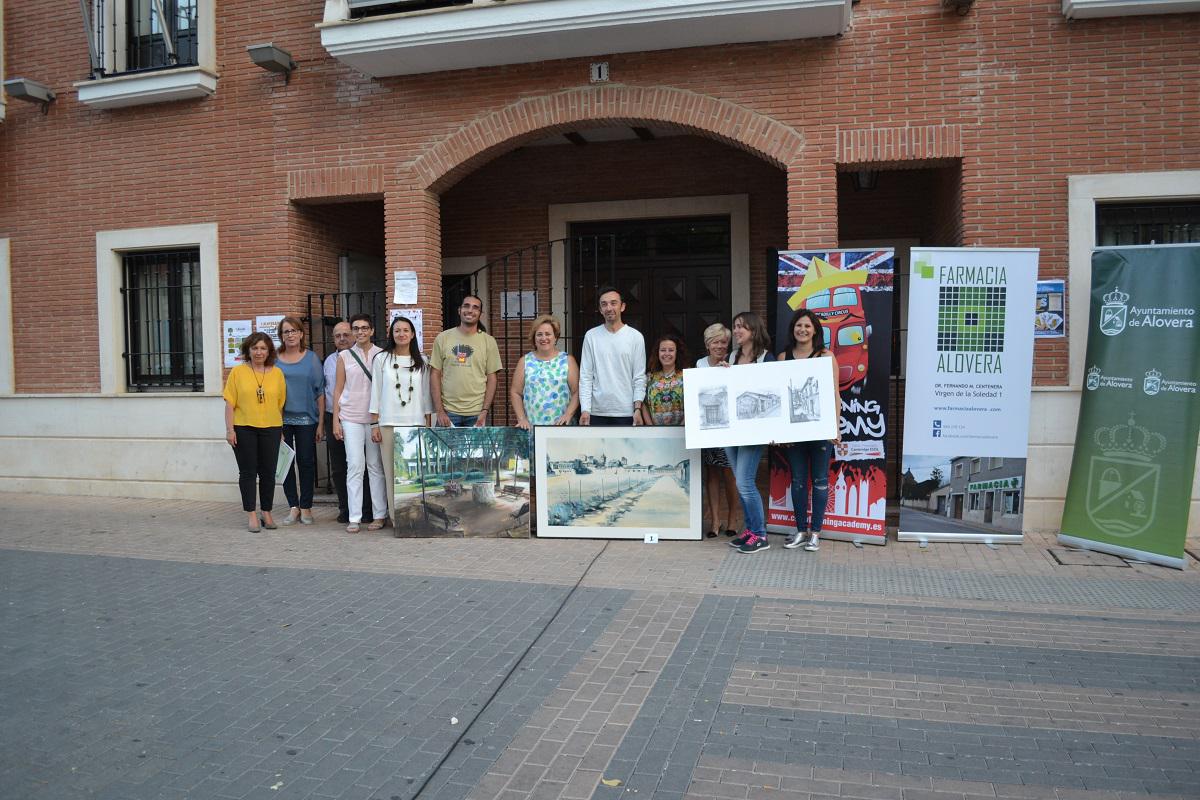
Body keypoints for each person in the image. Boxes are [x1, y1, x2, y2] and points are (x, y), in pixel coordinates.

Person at [778, 308, 843, 552]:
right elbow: (780, 397)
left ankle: (815, 533)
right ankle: (800, 531)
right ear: (792, 329)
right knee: (797, 481)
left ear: (815, 330)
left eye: (807, 326)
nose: (802, 330)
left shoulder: (826, 356)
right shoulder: (783, 358)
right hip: (793, 432)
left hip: (821, 430)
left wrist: (835, 427)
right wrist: (779, 431)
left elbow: (835, 393)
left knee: (820, 481)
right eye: (799, 325)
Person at [370, 314, 432, 524]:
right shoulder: (382, 359)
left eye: (406, 330)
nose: (401, 334)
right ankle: (396, 519)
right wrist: (374, 423)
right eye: (397, 330)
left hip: (415, 423)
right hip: (388, 422)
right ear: (392, 334)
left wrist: (428, 422)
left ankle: (418, 516)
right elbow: (376, 391)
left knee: (417, 473)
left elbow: (426, 394)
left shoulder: (423, 360)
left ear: (413, 334)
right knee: (391, 473)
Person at [223, 332, 286, 532]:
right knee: (248, 472)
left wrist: (280, 429)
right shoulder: (237, 372)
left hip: (272, 428)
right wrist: (230, 430)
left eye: (263, 348)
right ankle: (251, 513)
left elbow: (280, 404)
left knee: (268, 473)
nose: (259, 352)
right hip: (244, 428)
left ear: (269, 351)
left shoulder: (277, 373)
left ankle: (266, 511)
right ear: (248, 350)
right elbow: (230, 403)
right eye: (255, 348)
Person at [723, 311, 775, 554]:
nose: (736, 331)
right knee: (740, 482)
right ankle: (751, 530)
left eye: (741, 326)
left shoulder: (766, 359)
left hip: (754, 432)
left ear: (753, 330)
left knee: (745, 482)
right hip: (732, 430)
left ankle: (761, 535)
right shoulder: (732, 357)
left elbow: (773, 391)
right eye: (735, 326)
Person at [332, 313, 387, 533]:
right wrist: (335, 420)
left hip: (375, 419)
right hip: (350, 417)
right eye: (356, 328)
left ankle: (379, 515)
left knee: (375, 466)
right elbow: (338, 389)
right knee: (355, 466)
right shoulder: (344, 356)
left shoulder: (382, 355)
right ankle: (354, 517)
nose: (360, 332)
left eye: (364, 328)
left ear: (372, 330)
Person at [276, 317, 325, 526]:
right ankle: (293, 506)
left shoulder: (311, 358)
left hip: (307, 419)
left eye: (294, 331)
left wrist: (321, 423)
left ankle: (306, 507)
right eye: (286, 331)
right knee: (286, 463)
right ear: (281, 336)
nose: (290, 335)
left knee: (305, 462)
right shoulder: (274, 359)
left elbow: (320, 392)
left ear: (301, 334)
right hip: (281, 420)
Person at [323, 321, 373, 524]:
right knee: (339, 467)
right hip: (334, 416)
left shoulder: (368, 355)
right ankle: (345, 508)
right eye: (337, 336)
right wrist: (331, 420)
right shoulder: (328, 361)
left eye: (345, 334)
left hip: (362, 416)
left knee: (366, 465)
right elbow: (327, 390)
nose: (342, 338)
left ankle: (367, 510)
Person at [430, 294, 503, 427]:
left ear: (480, 314)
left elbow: (492, 378)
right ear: (459, 310)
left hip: (477, 414)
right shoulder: (443, 338)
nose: (470, 310)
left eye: (475, 308)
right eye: (466, 306)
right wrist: (439, 411)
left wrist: (485, 411)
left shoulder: (489, 341)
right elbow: (435, 374)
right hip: (448, 413)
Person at [578, 286, 646, 426]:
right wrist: (585, 410)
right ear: (600, 309)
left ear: (622, 306)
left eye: (613, 303)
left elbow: (639, 377)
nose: (609, 308)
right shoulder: (591, 336)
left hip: (627, 412)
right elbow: (585, 376)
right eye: (604, 304)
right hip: (597, 412)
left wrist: (637, 409)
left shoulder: (635, 337)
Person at [696, 323, 740, 539]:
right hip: (708, 428)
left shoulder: (734, 361)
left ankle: (732, 519)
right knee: (712, 474)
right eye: (715, 342)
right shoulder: (700, 364)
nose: (720, 346)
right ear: (707, 344)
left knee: (729, 474)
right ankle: (715, 520)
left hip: (729, 429)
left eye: (724, 342)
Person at [510, 314, 579, 429]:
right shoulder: (525, 361)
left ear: (555, 337)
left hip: (561, 427)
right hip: (532, 427)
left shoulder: (567, 360)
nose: (544, 338)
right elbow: (515, 392)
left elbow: (577, 391)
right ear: (534, 338)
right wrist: (522, 419)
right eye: (539, 334)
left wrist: (568, 415)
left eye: (548, 334)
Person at [641, 333, 686, 426]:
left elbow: (693, 404)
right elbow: (644, 404)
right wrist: (651, 428)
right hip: (655, 432)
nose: (667, 353)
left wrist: (682, 427)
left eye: (671, 350)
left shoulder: (686, 376)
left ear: (677, 353)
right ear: (657, 353)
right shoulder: (650, 378)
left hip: (681, 431)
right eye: (663, 350)